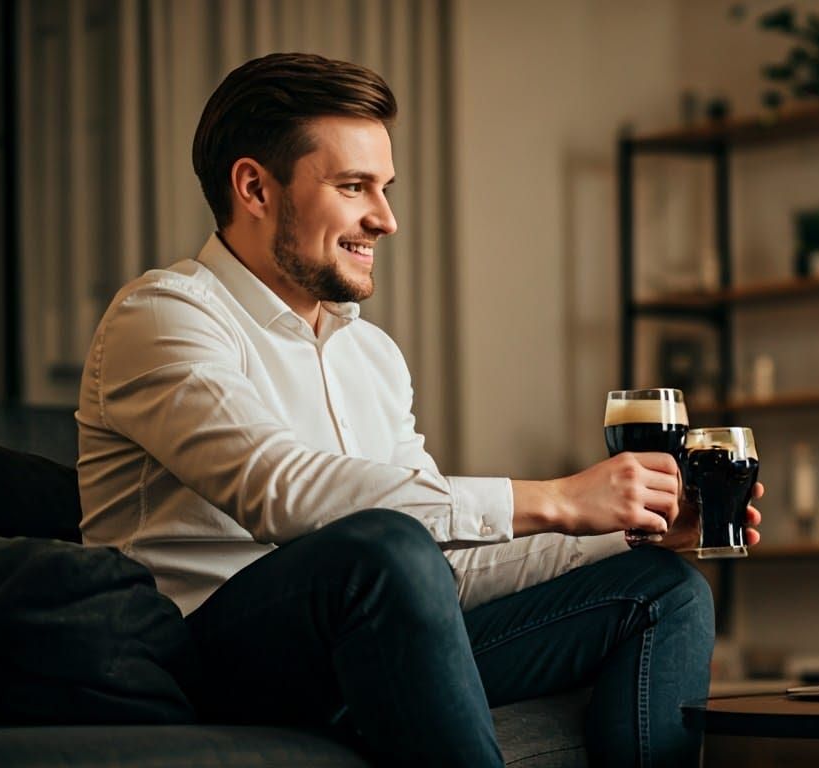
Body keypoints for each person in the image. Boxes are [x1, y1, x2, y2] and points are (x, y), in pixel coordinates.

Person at [75, 53, 762, 768]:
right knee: (383, 545)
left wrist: (627, 530)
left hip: (373, 645)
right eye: (353, 187)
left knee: (665, 590)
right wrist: (557, 499)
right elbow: (278, 491)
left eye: (385, 188)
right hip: (204, 661)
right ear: (254, 187)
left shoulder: (370, 354)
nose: (386, 219)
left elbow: (438, 570)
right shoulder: (163, 316)